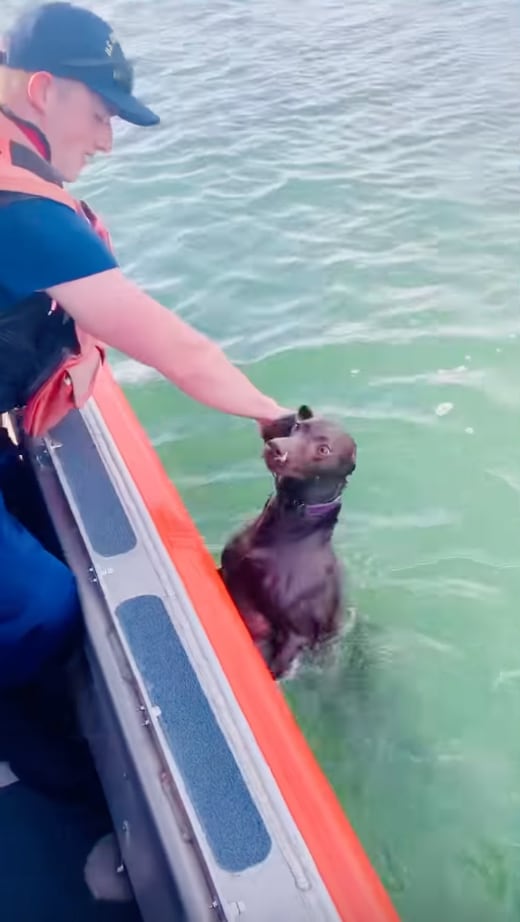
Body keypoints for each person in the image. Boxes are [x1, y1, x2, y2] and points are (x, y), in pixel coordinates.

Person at [0, 2, 290, 798]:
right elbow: (176, 349)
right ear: (44, 90)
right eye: (97, 116)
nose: (105, 140)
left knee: (38, 521)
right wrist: (275, 418)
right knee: (46, 605)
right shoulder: (19, 207)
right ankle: (39, 756)